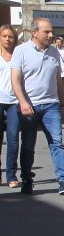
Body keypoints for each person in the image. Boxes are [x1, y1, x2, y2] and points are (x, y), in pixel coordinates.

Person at [8, 17, 64, 195]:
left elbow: (59, 81)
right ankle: (27, 179)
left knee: (57, 143)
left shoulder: (54, 52)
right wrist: (23, 102)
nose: (50, 35)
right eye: (46, 32)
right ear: (34, 33)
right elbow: (15, 80)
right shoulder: (21, 51)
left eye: (51, 32)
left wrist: (63, 104)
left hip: (51, 105)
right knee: (28, 145)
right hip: (30, 106)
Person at [0, 25, 19, 187]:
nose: (7, 39)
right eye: (4, 36)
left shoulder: (18, 55)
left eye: (10, 36)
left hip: (15, 101)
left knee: (13, 139)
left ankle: (11, 175)